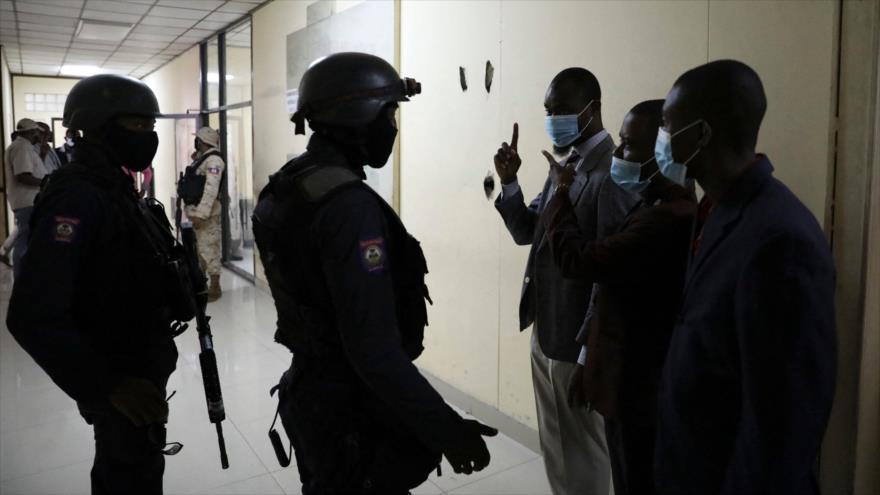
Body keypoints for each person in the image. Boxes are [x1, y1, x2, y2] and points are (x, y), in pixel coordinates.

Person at [253, 52, 497, 494]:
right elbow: (373, 350)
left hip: (314, 392)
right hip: (352, 410)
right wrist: (446, 428)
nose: (393, 126)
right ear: (357, 115)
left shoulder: (289, 185)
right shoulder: (347, 206)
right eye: (390, 112)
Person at [653, 60, 836, 495]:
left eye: (667, 126)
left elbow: (783, 426)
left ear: (700, 135)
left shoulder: (780, 239)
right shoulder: (717, 210)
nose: (662, 140)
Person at [6, 74, 184, 495]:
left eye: (150, 127)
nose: (149, 137)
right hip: (119, 376)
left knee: (138, 468)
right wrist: (109, 386)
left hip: (138, 363)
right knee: (126, 476)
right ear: (98, 127)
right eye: (137, 126)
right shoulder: (78, 198)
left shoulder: (112, 187)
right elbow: (31, 314)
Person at [540, 99, 696, 495]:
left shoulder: (665, 219)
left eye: (628, 145)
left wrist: (561, 192)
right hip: (620, 374)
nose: (619, 155)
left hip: (639, 387)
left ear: (662, 152)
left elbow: (586, 264)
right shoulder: (654, 204)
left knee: (630, 473)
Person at [493, 67, 636, 494]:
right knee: (555, 447)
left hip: (578, 342)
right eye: (548, 110)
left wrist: (588, 353)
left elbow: (611, 272)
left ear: (591, 110)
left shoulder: (613, 171)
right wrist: (510, 181)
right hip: (546, 330)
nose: (553, 118)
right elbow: (527, 232)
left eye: (562, 110)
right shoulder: (563, 165)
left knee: (586, 453)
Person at [183, 126, 225, 302]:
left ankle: (215, 287)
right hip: (195, 212)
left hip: (206, 215)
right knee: (199, 251)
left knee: (209, 250)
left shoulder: (214, 161)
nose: (196, 143)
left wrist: (201, 215)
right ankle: (202, 285)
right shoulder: (204, 159)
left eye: (198, 140)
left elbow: (210, 190)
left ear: (203, 141)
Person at [3, 118, 47, 277]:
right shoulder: (22, 148)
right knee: (24, 240)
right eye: (36, 132)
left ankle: (24, 274)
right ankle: (21, 276)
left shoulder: (24, 147)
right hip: (27, 201)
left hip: (27, 200)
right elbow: (23, 176)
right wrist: (46, 182)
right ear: (30, 132)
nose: (38, 135)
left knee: (25, 238)